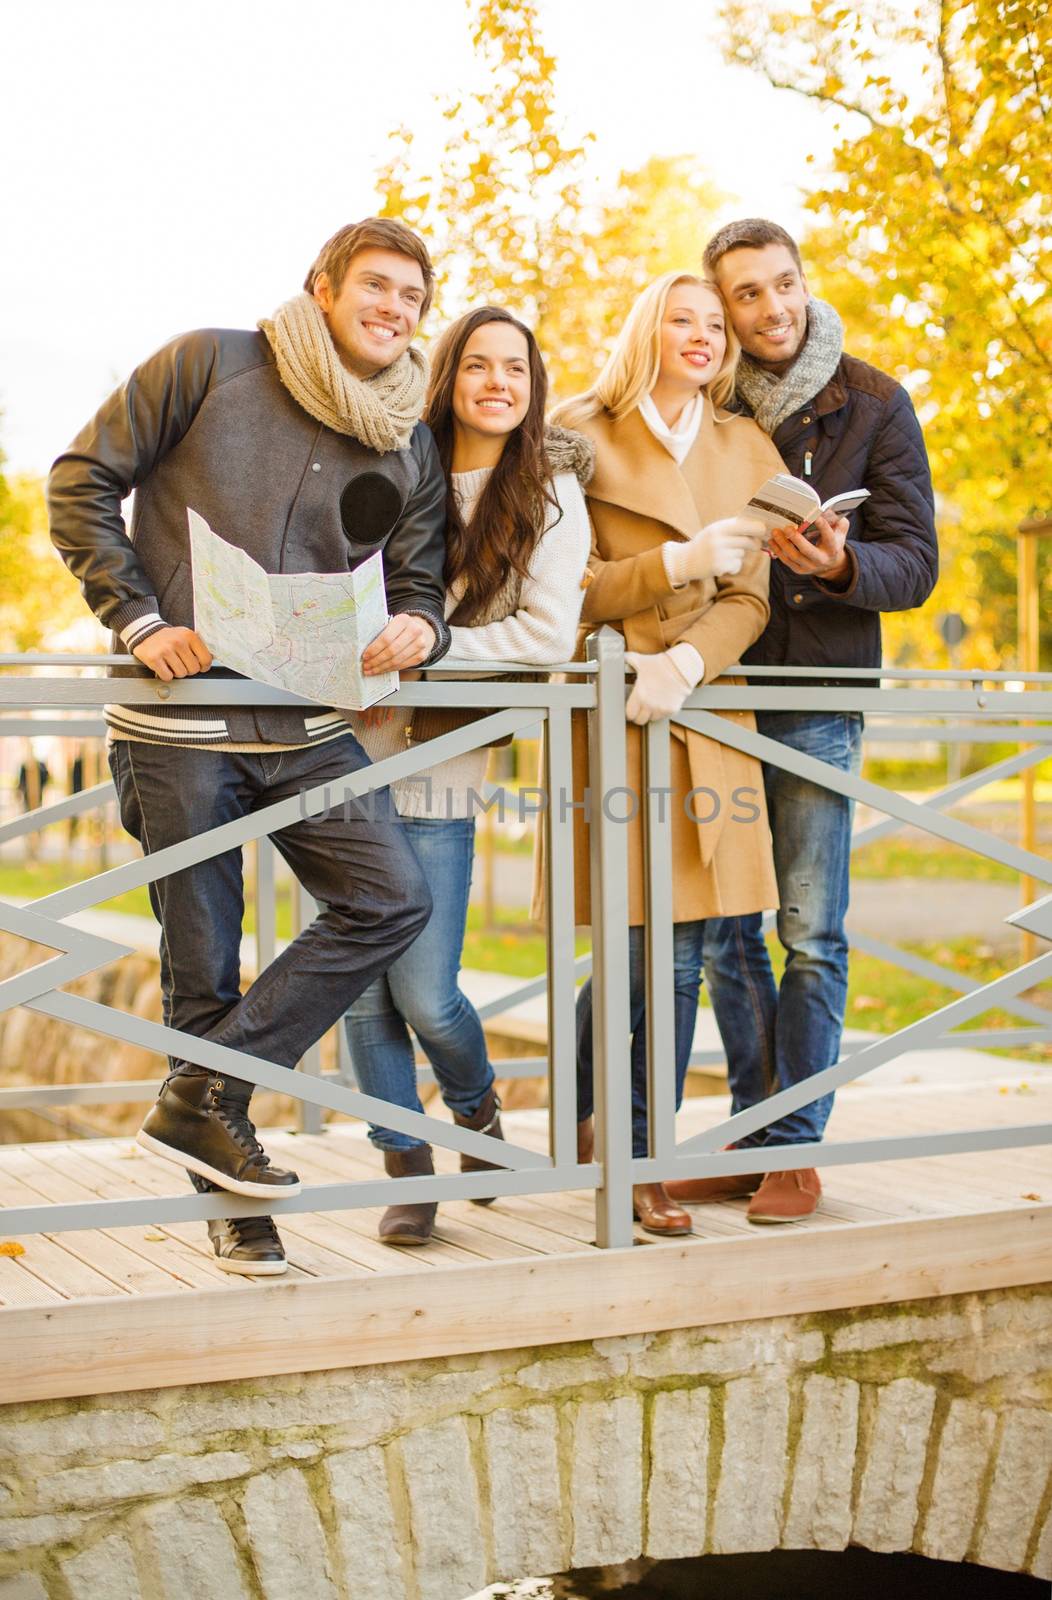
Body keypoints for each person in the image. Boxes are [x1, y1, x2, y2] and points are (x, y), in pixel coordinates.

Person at [48, 218, 452, 1276]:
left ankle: (199, 1096)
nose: (394, 308)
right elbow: (81, 478)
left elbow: (419, 581)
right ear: (321, 287)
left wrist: (421, 627)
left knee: (391, 895)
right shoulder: (209, 361)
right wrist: (136, 617)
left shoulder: (408, 433)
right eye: (375, 285)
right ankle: (238, 1210)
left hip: (309, 724)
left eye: (413, 295)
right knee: (202, 968)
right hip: (178, 723)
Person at [666, 218, 938, 1223]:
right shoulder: (702, 403)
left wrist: (837, 565)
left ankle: (795, 1146)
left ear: (802, 283)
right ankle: (750, 1128)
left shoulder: (873, 401)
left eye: (782, 284)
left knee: (809, 930)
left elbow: (915, 562)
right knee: (732, 929)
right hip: (719, 694)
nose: (769, 307)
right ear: (723, 305)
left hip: (818, 695)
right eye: (746, 293)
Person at [346, 306, 593, 1244]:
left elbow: (542, 637)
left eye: (516, 371)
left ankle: (478, 1110)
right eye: (478, 365)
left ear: (532, 392)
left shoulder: (551, 493)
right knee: (358, 990)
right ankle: (405, 1164)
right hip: (345, 748)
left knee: (424, 991)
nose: (497, 382)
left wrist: (418, 656)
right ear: (446, 377)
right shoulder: (388, 464)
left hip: (446, 757)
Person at [554, 271, 784, 1236]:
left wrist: (689, 658)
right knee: (638, 942)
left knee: (680, 945)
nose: (701, 337)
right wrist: (676, 567)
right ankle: (624, 1146)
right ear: (648, 329)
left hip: (705, 705)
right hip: (614, 711)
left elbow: (756, 593)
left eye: (711, 326)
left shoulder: (745, 443)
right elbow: (561, 586)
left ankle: (621, 1138)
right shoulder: (576, 431)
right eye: (679, 320)